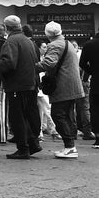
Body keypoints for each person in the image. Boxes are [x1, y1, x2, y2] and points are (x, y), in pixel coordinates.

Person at [0, 16, 41, 160]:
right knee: (24, 115)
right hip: (29, 82)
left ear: (6, 27)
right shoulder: (27, 41)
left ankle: (23, 148)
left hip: (17, 83)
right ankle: (32, 143)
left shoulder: (11, 41)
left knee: (17, 117)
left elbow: (8, 64)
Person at [38, 21, 84, 159]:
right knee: (67, 115)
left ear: (47, 34)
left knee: (58, 115)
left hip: (63, 86)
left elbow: (48, 63)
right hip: (73, 85)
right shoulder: (67, 43)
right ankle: (70, 146)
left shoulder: (54, 45)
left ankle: (70, 147)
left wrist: (31, 66)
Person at [80, 30, 99, 148]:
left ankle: (98, 138)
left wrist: (93, 72)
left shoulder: (89, 45)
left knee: (95, 110)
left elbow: (82, 63)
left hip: (96, 82)